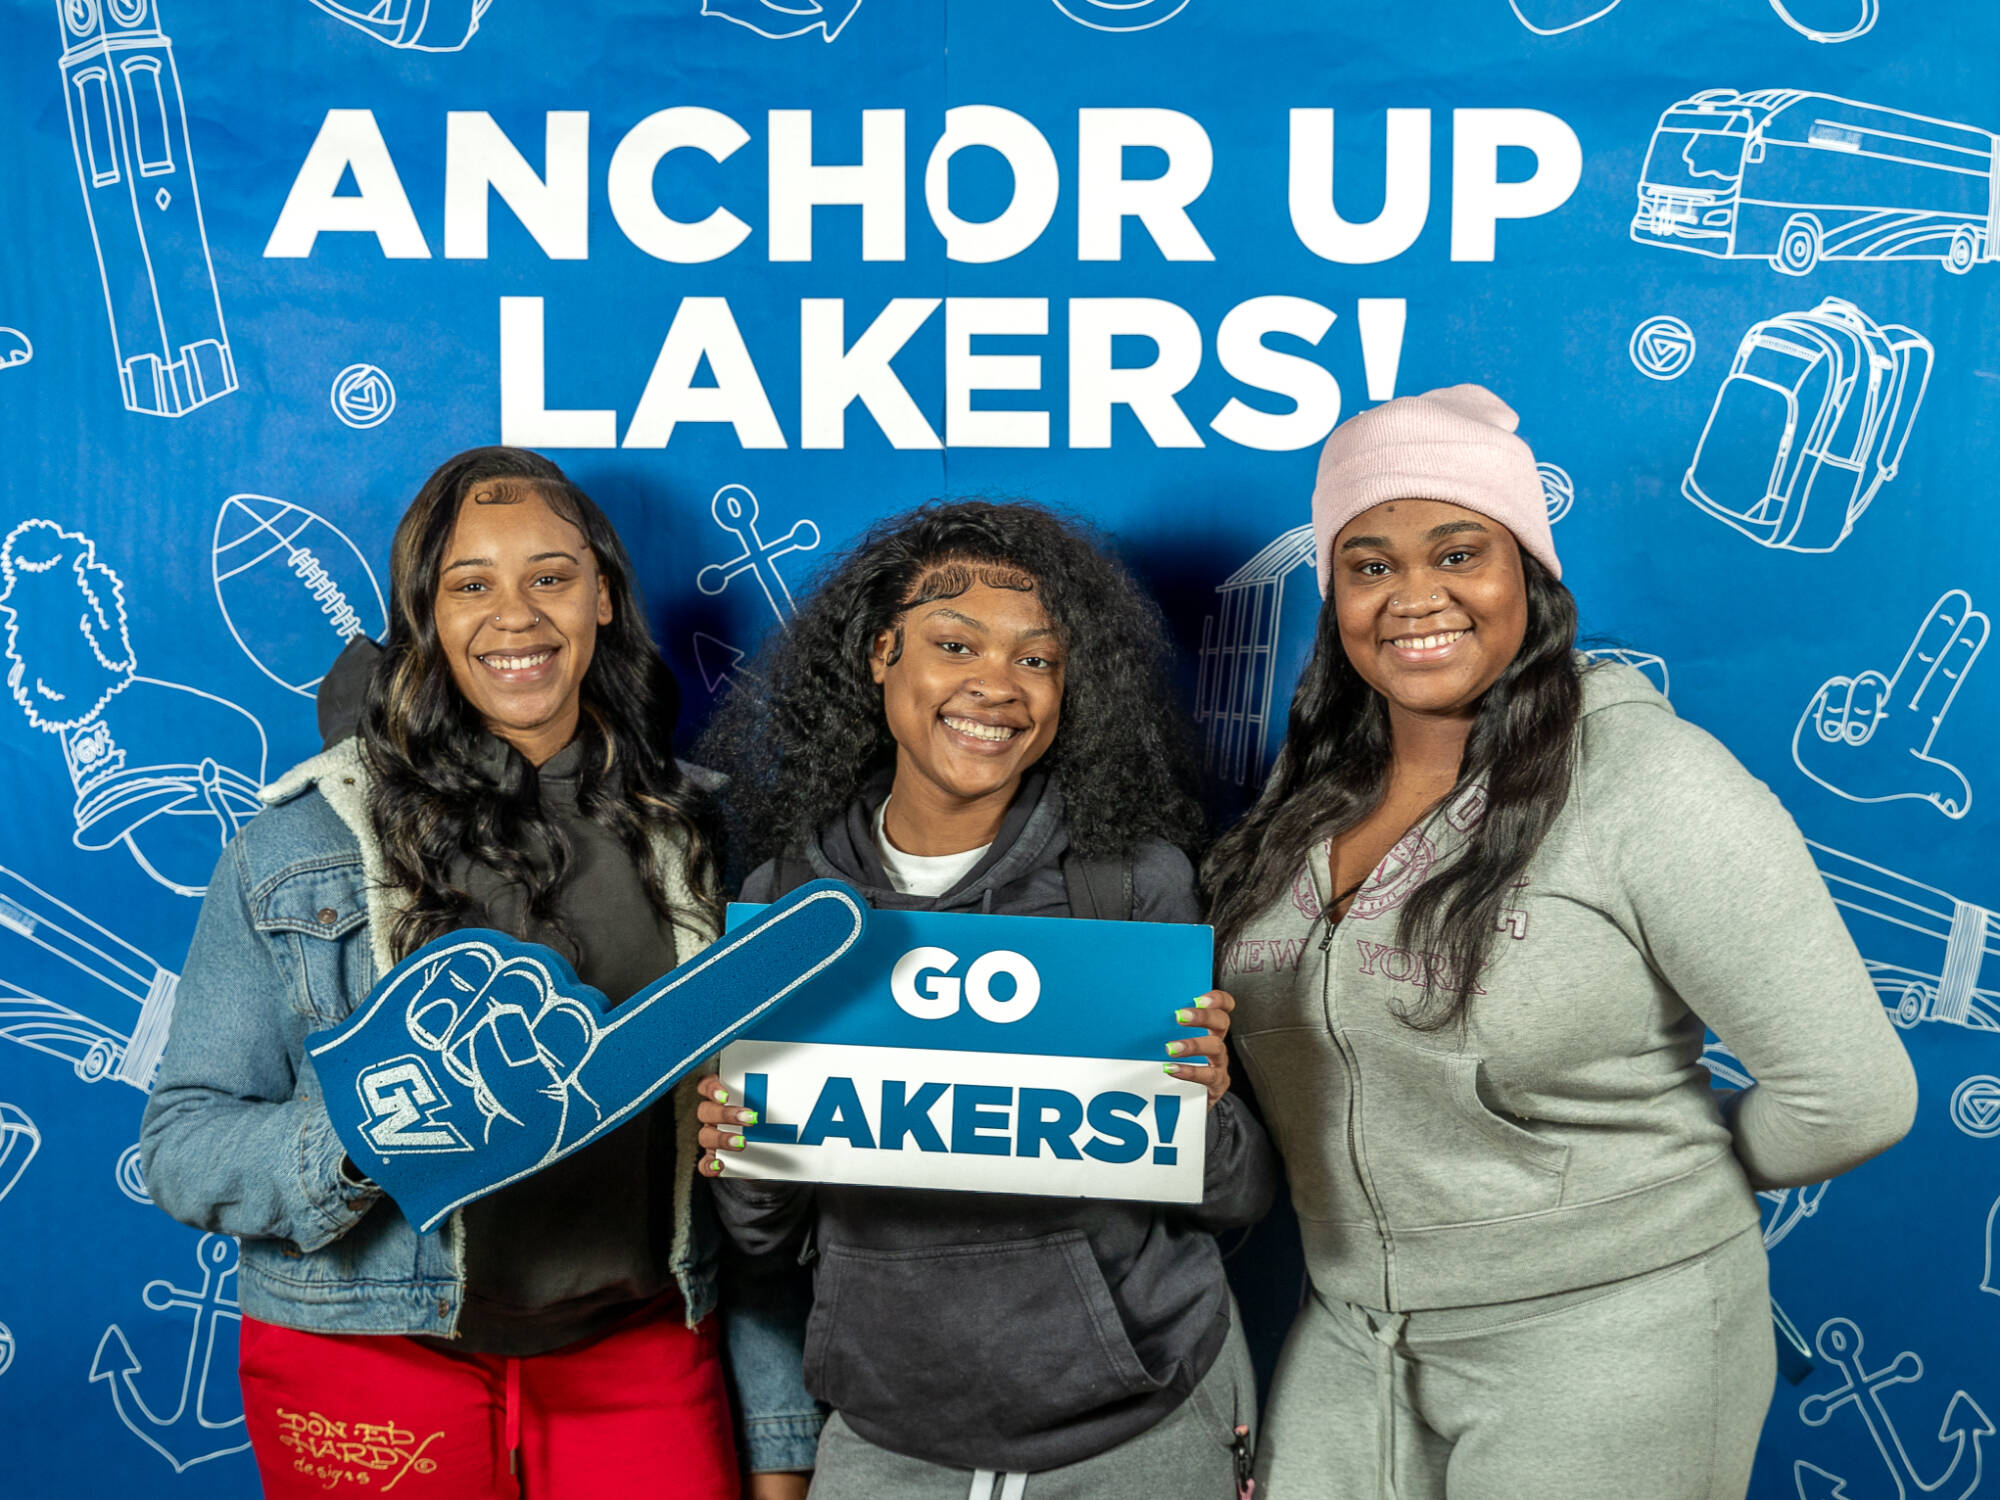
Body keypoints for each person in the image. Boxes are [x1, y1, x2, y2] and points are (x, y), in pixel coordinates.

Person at [1201, 385, 1919, 1500]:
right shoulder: (1310, 797)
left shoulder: (1646, 781)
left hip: (1611, 1338)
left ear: (1527, 575)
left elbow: (1854, 1097)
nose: (1414, 597)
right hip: (1354, 1332)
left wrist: (1635, 1203)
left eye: (1458, 553)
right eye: (1369, 564)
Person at [141, 448, 816, 1499]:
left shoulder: (701, 837)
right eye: (471, 584)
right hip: (369, 1346)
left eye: (550, 576)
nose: (516, 616)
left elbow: (748, 1170)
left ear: (602, 595)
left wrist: (777, 1433)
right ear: (425, 613)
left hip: (637, 1344)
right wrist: (373, 1131)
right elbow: (182, 1144)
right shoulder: (301, 847)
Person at [691, 499, 1279, 1499]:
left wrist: (1204, 1101)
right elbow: (761, 1236)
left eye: (1035, 658)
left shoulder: (1131, 886)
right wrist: (737, 1141)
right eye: (954, 643)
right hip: (889, 1431)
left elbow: (1239, 1195)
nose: (996, 685)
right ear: (880, 654)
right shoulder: (787, 905)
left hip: (1137, 1415)